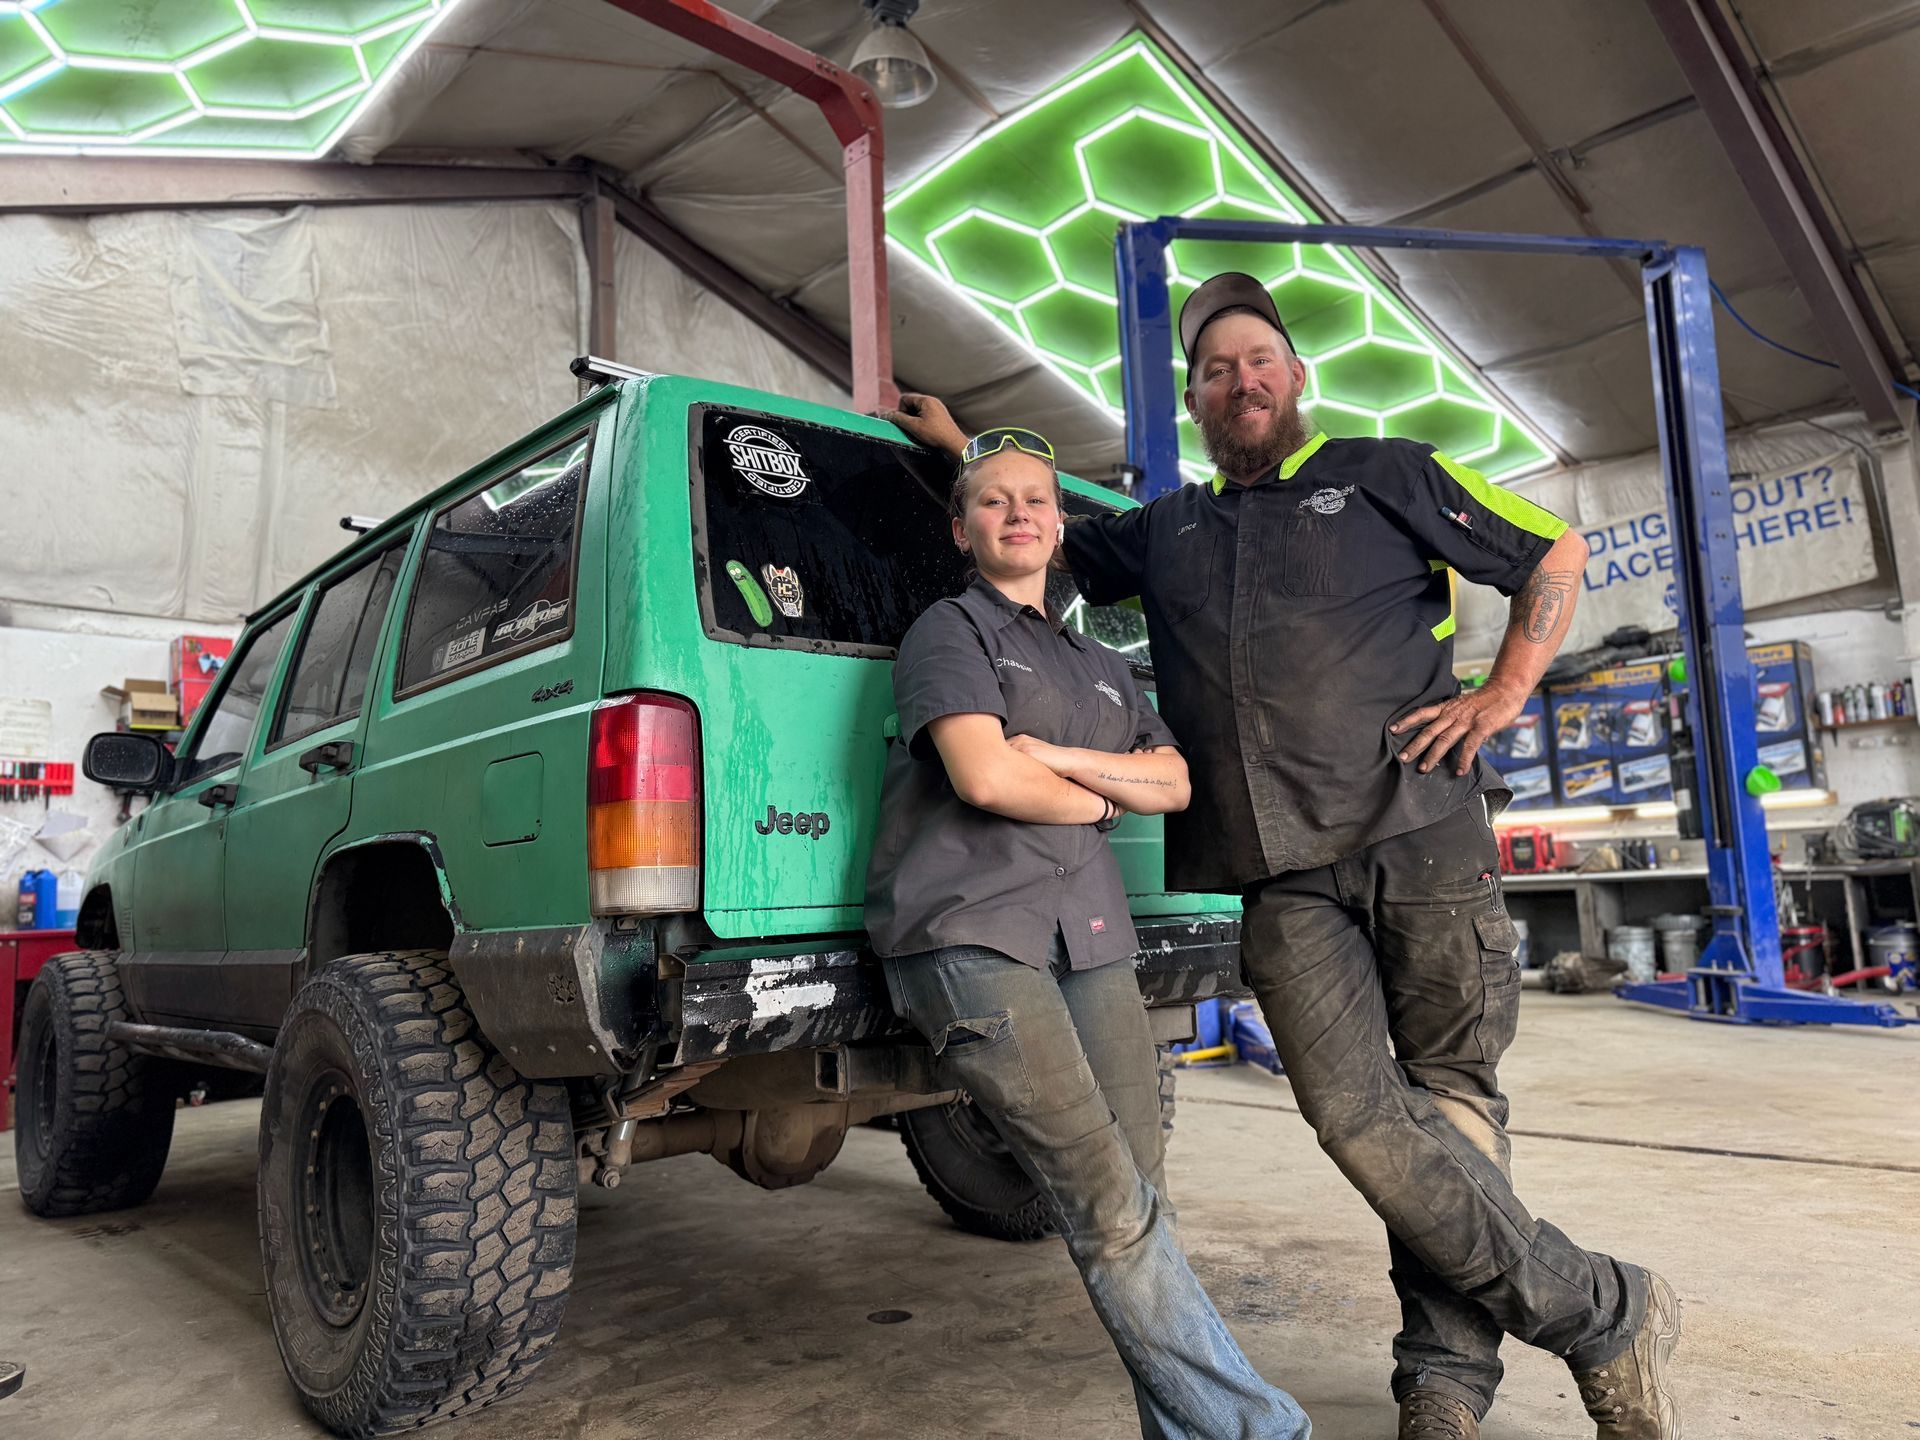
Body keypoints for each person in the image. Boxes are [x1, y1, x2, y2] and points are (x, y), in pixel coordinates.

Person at [880, 273, 1680, 1440]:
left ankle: (1444, 1383)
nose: (1240, 380)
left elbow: (1555, 550)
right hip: (1278, 871)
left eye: (1260, 359)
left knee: (1449, 1102)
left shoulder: (1389, 470)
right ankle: (1604, 1306)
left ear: (1297, 375)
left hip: (1423, 833)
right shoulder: (1167, 531)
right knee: (1360, 1121)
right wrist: (965, 445)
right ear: (1196, 399)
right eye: (1216, 368)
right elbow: (1036, 529)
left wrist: (1505, 694)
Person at [865, 425, 1311, 1440]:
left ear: (1060, 529)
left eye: (1037, 498)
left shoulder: (1101, 666)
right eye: (993, 500)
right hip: (971, 934)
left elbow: (1177, 781)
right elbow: (985, 776)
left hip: (1089, 936)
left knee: (1140, 1197)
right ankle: (1259, 1432)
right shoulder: (949, 631)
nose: (1018, 511)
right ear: (962, 526)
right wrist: (1106, 799)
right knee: (1106, 1198)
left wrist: (1061, 761)